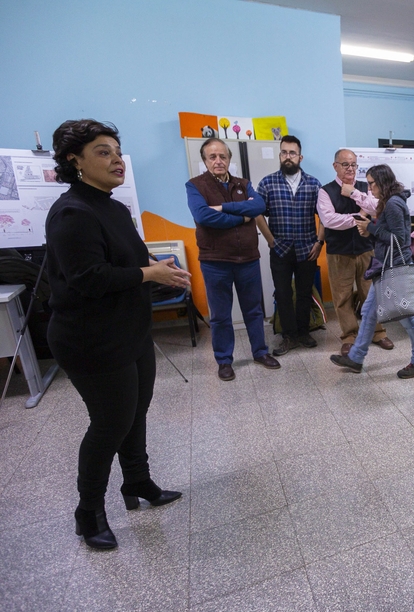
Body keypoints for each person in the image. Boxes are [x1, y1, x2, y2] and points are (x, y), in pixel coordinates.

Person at [46, 120, 190, 549]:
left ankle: (138, 484)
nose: (116, 161)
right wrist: (150, 272)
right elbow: (88, 278)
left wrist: (162, 273)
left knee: (135, 412)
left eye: (117, 152)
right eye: (103, 152)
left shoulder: (112, 206)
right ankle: (87, 513)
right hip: (90, 339)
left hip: (129, 331)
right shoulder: (73, 212)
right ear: (76, 160)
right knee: (109, 424)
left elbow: (132, 261)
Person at [187, 138, 280, 380]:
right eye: (212, 157)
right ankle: (224, 361)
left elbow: (258, 205)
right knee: (220, 315)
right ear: (205, 161)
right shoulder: (195, 185)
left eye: (223, 156)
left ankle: (260, 352)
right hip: (215, 261)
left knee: (254, 310)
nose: (218, 161)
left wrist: (222, 208)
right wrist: (242, 216)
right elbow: (204, 216)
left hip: (247, 259)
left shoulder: (243, 184)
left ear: (229, 159)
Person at [329, 165, 414, 378]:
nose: (370, 187)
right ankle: (356, 357)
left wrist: (370, 228)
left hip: (394, 266)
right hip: (386, 265)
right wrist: (371, 230)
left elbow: (400, 239)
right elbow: (390, 235)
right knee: (368, 311)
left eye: (372, 183)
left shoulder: (393, 204)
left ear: (383, 182)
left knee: (407, 317)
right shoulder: (390, 202)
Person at [317, 148, 394, 357]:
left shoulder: (364, 187)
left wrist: (355, 196)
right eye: (345, 165)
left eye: (353, 165)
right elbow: (330, 220)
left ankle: (378, 332)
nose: (350, 169)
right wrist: (359, 216)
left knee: (371, 293)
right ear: (335, 166)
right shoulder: (325, 191)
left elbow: (377, 207)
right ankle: (349, 336)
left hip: (366, 250)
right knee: (342, 297)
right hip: (338, 252)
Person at [255, 135, 323, 356]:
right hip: (280, 250)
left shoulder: (313, 184)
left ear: (300, 157)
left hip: (307, 250)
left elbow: (325, 216)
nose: (287, 157)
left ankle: (303, 332)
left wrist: (319, 242)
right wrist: (269, 240)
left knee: (304, 293)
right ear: (280, 155)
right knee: (283, 294)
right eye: (284, 152)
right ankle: (289, 336)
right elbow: (257, 213)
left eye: (292, 153)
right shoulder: (267, 183)